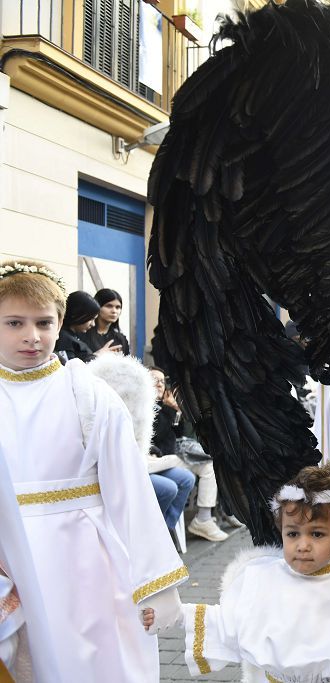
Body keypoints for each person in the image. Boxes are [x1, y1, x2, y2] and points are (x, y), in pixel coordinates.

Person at [0, 260, 186, 681]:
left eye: (43, 323)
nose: (31, 336)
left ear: (60, 324)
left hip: (87, 558)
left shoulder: (86, 392)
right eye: (14, 323)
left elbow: (129, 487)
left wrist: (157, 581)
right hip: (12, 559)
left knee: (97, 657)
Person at [146, 463, 330, 682]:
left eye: (317, 534)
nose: (303, 545)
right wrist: (177, 614)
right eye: (293, 533)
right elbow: (226, 620)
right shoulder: (261, 580)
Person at [149, 366, 229, 541]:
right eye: (155, 379)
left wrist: (176, 411)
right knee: (206, 465)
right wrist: (170, 410)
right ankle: (167, 529)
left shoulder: (162, 406)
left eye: (162, 381)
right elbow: (157, 434)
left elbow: (176, 434)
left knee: (211, 464)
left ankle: (204, 518)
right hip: (153, 460)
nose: (160, 384)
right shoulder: (144, 405)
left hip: (169, 457)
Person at [54, 290, 119, 362]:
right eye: (91, 319)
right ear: (79, 315)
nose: (93, 324)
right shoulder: (64, 338)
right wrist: (97, 355)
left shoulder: (73, 336)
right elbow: (69, 366)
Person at [84, 288, 131, 356]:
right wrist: (96, 355)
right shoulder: (83, 334)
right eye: (109, 306)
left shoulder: (121, 339)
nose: (114, 311)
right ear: (97, 306)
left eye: (118, 307)